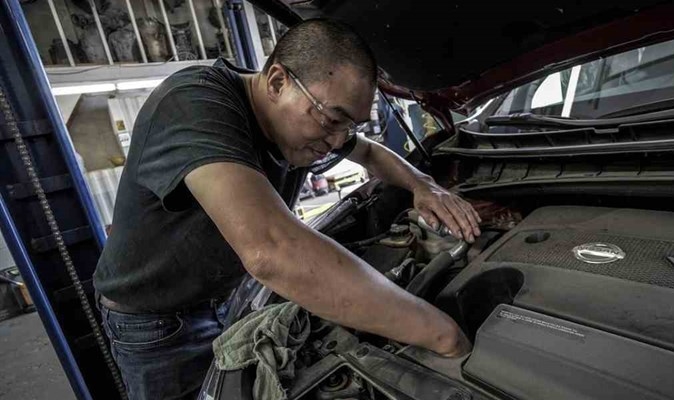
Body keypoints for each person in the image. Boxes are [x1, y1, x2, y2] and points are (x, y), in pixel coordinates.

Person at [92, 18, 480, 400]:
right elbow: (272, 251)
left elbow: (368, 151)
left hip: (229, 296)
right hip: (158, 324)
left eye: (349, 125)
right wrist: (440, 334)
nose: (337, 140)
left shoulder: (306, 117)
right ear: (278, 82)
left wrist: (423, 186)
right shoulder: (193, 105)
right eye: (333, 121)